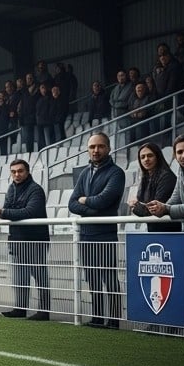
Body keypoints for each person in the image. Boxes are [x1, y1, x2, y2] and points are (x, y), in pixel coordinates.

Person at [68, 133, 126, 329]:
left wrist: (86, 201)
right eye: (92, 147)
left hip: (105, 234)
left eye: (100, 146)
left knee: (109, 278)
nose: (96, 150)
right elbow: (72, 204)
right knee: (92, 278)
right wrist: (92, 209)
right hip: (86, 234)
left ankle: (115, 320)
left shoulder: (116, 173)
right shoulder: (85, 172)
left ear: (108, 148)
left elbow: (104, 200)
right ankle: (98, 317)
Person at [0, 159, 50, 320]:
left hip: (35, 240)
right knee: (19, 276)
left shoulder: (36, 190)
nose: (16, 174)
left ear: (27, 172)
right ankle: (20, 308)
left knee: (39, 276)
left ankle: (44, 311)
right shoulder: (11, 189)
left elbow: (29, 212)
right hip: (16, 239)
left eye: (20, 171)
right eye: (13, 171)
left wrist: (1, 212)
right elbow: (10, 210)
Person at [128, 142, 178, 233]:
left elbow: (156, 208)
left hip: (169, 230)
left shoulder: (167, 177)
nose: (146, 159)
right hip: (153, 229)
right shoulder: (145, 177)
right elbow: (141, 202)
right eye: (142, 157)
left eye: (150, 155)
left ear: (157, 157)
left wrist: (136, 208)